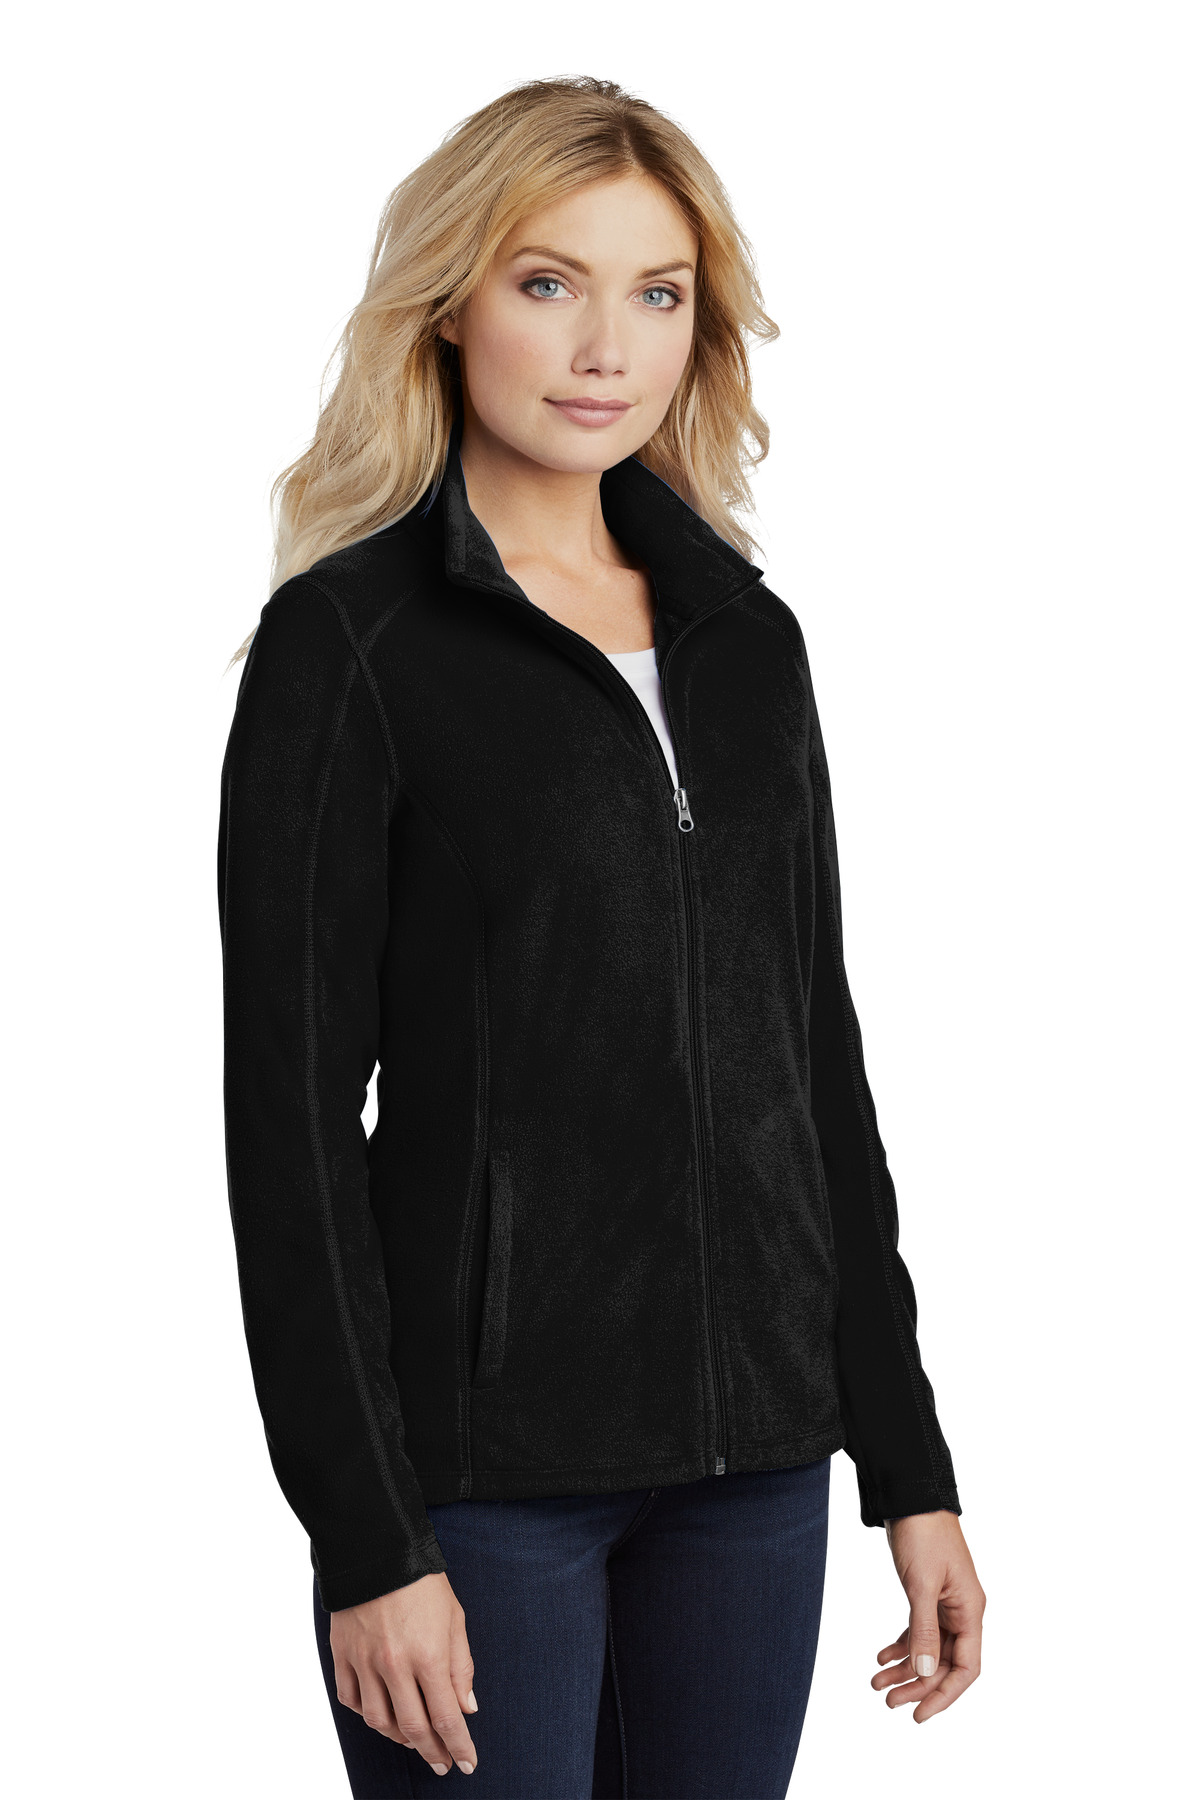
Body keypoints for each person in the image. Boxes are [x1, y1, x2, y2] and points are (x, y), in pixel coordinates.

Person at [218, 74, 985, 1800]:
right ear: (450, 304)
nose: (603, 348)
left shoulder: (746, 640)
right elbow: (287, 1127)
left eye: (658, 293)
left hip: (759, 1470)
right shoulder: (351, 648)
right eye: (548, 281)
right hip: (484, 1485)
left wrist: (908, 1463)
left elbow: (815, 1062)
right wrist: (369, 1536)